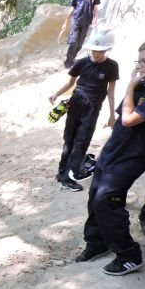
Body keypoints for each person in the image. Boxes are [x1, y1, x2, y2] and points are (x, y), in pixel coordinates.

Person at [74, 42, 145, 276]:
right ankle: (97, 243)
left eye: (144, 62)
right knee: (94, 196)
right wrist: (104, 150)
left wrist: (129, 86)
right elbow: (119, 127)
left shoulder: (136, 87)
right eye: (139, 61)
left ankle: (129, 255)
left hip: (132, 157)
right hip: (113, 152)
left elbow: (128, 119)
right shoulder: (140, 86)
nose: (139, 66)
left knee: (107, 201)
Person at [49, 28, 118, 192]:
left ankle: (69, 176)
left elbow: (111, 92)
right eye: (94, 50)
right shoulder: (81, 63)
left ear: (107, 49)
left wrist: (111, 115)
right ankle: (63, 175)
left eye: (100, 51)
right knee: (69, 139)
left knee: (81, 142)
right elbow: (70, 83)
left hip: (92, 108)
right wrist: (56, 94)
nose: (96, 54)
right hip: (76, 103)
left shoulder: (112, 66)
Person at [61, 0, 100, 69]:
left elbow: (95, 8)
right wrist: (66, 21)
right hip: (76, 20)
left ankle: (72, 59)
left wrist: (95, 19)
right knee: (73, 42)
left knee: (80, 44)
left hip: (86, 22)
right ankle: (68, 62)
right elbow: (72, 7)